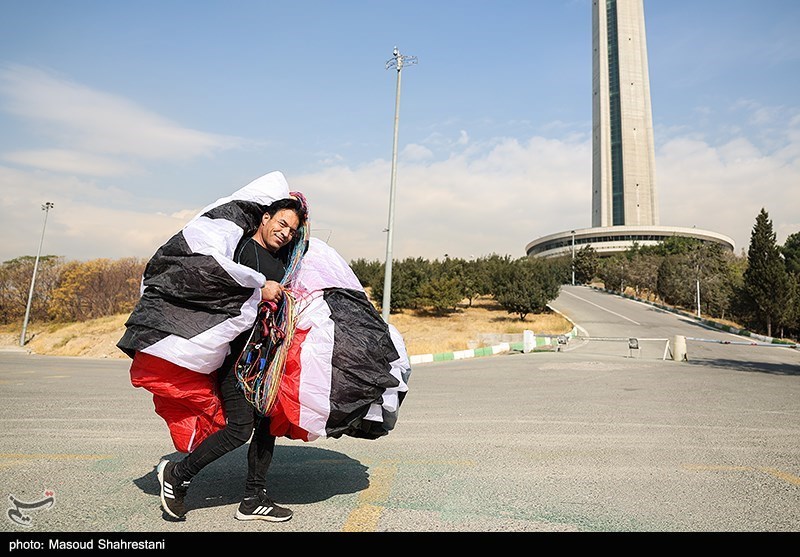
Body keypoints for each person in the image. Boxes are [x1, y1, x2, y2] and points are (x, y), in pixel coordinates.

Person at [156, 196, 307, 522]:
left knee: (269, 424)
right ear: (265, 218)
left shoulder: (277, 259)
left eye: (292, 230)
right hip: (238, 360)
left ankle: (253, 498)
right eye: (282, 223)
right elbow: (225, 288)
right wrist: (258, 290)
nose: (286, 233)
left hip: (265, 360)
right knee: (239, 429)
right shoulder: (242, 251)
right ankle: (177, 474)